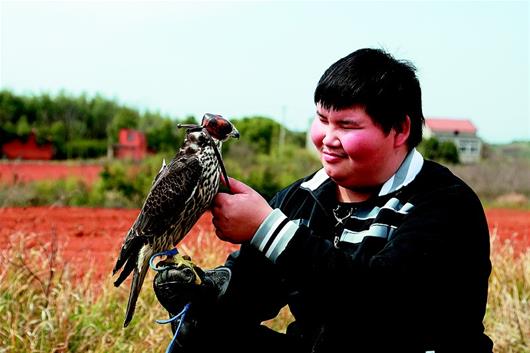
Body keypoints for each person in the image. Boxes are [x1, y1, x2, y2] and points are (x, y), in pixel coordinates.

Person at [153, 48, 494, 353]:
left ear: (400, 130)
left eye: (347, 125)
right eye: (322, 120)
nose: (328, 139)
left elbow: (382, 306)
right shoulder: (301, 198)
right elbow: (250, 296)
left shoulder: (447, 205)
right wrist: (200, 291)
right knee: (204, 332)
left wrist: (269, 230)